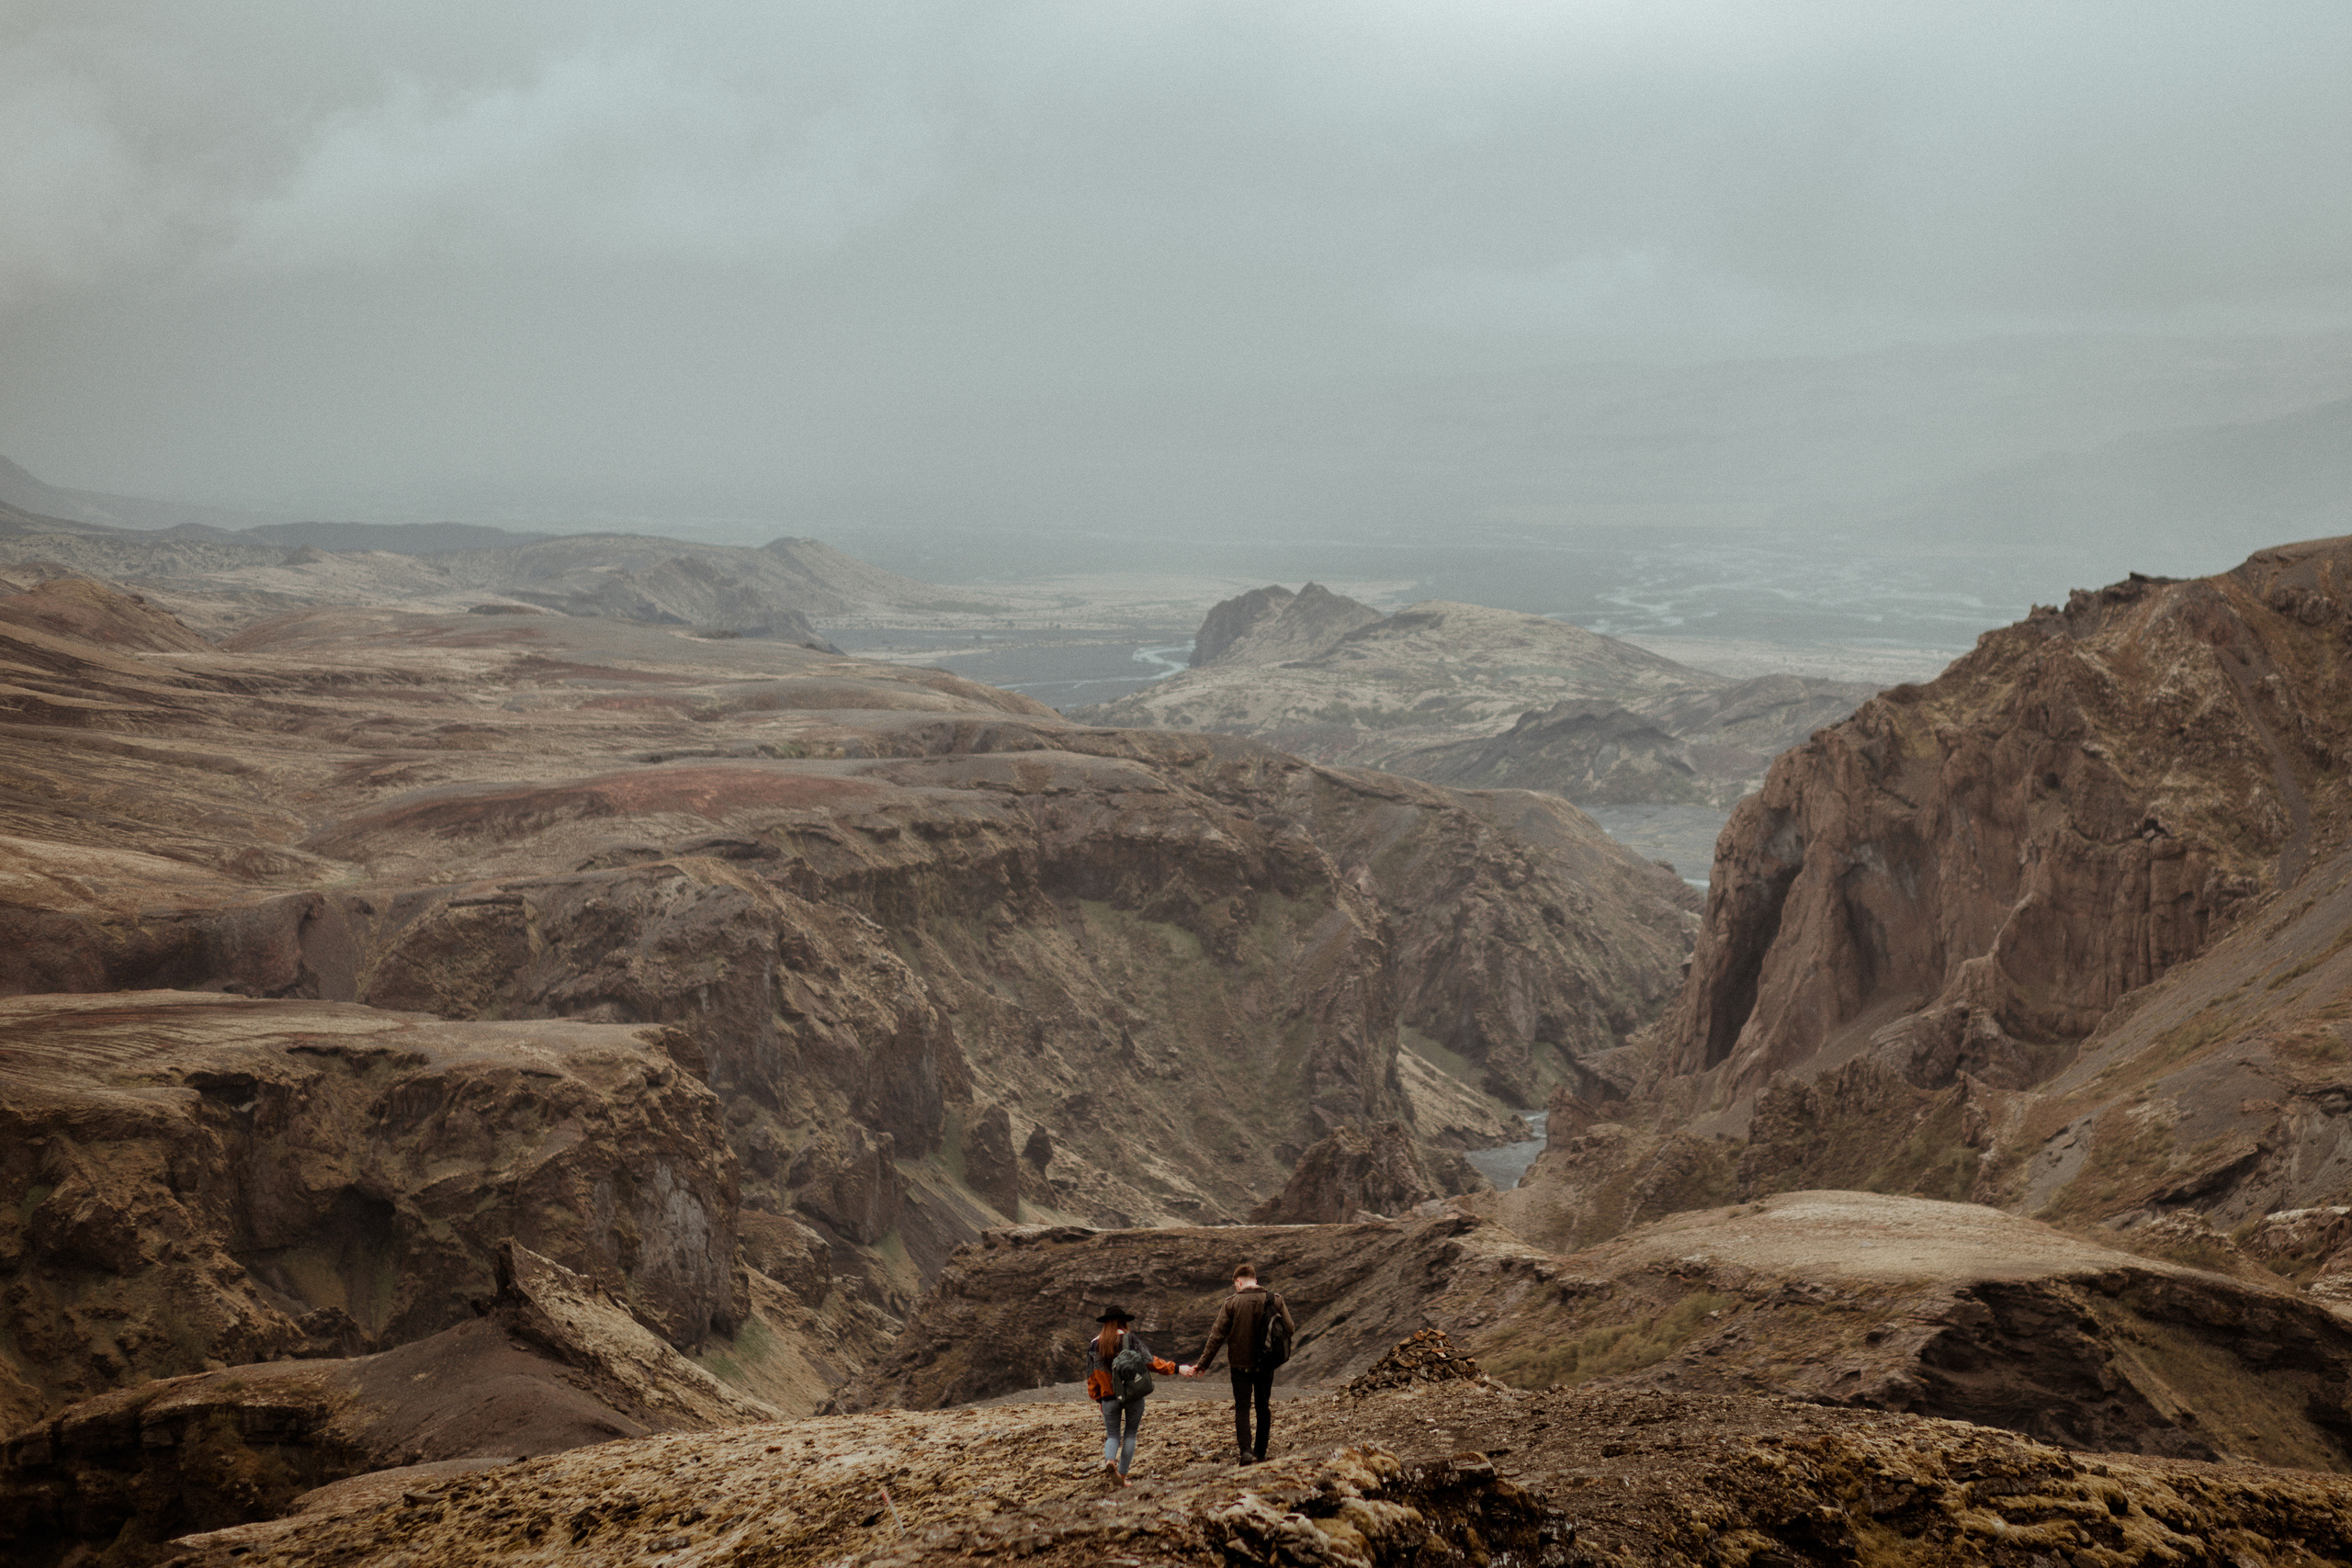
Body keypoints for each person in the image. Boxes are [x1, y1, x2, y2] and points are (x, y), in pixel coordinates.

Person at [1179, 1261, 1295, 1465]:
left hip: (1239, 1366)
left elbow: (1216, 1336)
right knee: (1262, 1406)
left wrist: (1203, 1364)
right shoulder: (1274, 1299)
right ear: (1255, 1280)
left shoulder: (1231, 1303)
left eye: (1235, 1285)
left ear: (1239, 1282)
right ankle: (1260, 1452)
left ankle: (1246, 1453)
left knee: (1242, 1407)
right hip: (1266, 1364)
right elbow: (1290, 1328)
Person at [1085, 1305, 1176, 1485]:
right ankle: (1123, 1475)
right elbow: (1151, 1362)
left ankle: (1110, 1460)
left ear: (1105, 1323)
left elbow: (1091, 1376)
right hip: (1133, 1395)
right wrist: (1176, 1368)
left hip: (1109, 1398)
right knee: (1130, 1434)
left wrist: (1098, 1398)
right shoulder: (1130, 1339)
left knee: (1112, 1435)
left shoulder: (1094, 1344)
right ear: (1123, 1321)